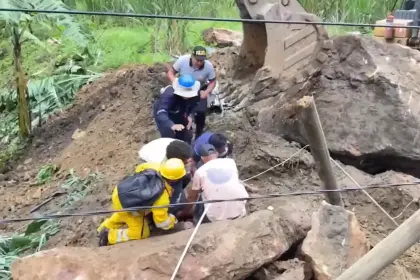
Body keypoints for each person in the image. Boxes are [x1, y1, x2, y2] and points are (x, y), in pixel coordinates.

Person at [97, 158, 186, 246]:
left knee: (123, 214)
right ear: (175, 180)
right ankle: (109, 236)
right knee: (141, 232)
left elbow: (138, 169)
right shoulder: (162, 196)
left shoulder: (153, 166)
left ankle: (103, 227)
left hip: (120, 191)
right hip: (127, 206)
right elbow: (161, 223)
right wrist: (172, 220)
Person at [184, 144, 249, 224]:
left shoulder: (200, 172)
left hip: (215, 217)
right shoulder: (230, 162)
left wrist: (184, 212)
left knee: (200, 195)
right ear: (216, 153)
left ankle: (197, 220)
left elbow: (192, 198)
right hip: (240, 211)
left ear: (202, 158)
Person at [167, 46, 217, 139]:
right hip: (182, 89)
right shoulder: (182, 61)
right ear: (191, 57)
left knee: (201, 112)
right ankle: (178, 130)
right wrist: (174, 81)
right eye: (197, 60)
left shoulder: (208, 66)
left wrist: (206, 92)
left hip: (199, 90)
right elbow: (171, 72)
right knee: (178, 110)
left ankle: (199, 132)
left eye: (201, 61)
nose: (199, 63)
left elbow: (212, 81)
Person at [153, 74, 200, 143]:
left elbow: (193, 106)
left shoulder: (195, 94)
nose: (187, 96)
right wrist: (172, 125)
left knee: (185, 133)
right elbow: (161, 113)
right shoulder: (169, 94)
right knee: (168, 135)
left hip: (180, 111)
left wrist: (189, 116)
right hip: (167, 113)